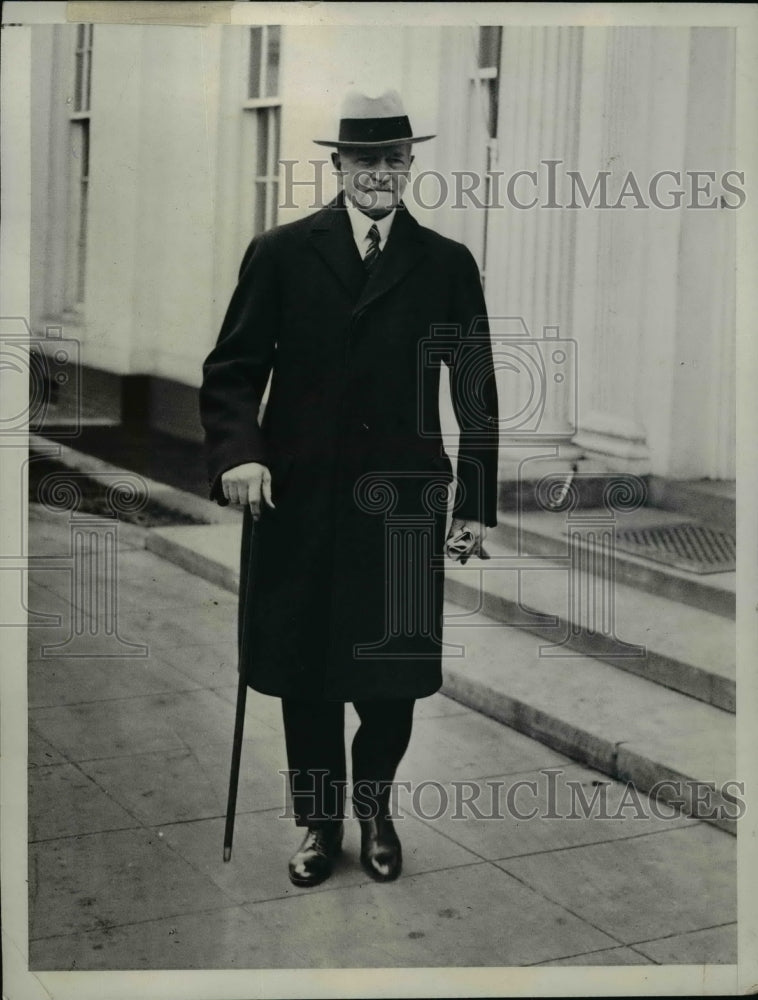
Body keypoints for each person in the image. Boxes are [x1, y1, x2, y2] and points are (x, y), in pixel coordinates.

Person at [200, 89, 499, 888]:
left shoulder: (444, 264)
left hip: (400, 510)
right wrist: (240, 452)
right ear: (337, 165)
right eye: (362, 159)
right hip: (300, 501)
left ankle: (376, 808)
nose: (378, 173)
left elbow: (475, 391)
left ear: (410, 165)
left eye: (392, 158)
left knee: (391, 678)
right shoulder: (282, 252)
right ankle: (318, 821)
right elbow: (232, 372)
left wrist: (473, 504)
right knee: (306, 673)